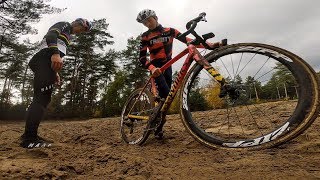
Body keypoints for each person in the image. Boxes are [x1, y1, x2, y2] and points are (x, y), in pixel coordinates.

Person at [136, 9, 220, 139]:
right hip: (156, 69)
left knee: (167, 98)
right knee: (164, 95)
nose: (147, 24)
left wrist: (211, 45)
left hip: (167, 66)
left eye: (149, 20)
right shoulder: (145, 36)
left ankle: (157, 126)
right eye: (144, 23)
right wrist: (152, 68)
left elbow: (189, 41)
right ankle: (156, 126)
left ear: (156, 17)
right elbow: (141, 59)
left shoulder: (170, 31)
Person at [20, 18, 92, 148]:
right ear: (79, 23)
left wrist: (55, 73)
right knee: (41, 98)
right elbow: (51, 35)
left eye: (85, 31)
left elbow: (55, 51)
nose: (82, 32)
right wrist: (55, 54)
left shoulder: (68, 34)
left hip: (47, 62)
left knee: (43, 98)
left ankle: (29, 134)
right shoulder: (65, 25)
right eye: (83, 29)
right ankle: (29, 139)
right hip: (44, 59)